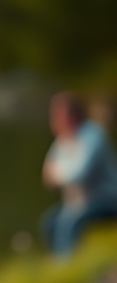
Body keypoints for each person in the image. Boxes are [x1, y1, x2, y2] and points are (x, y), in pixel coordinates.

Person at [40, 91, 117, 254]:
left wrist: (58, 173)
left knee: (70, 222)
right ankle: (58, 262)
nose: (54, 120)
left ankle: (67, 265)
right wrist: (61, 172)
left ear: (73, 115)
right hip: (78, 203)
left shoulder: (93, 135)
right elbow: (46, 174)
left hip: (106, 199)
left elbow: (80, 172)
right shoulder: (63, 140)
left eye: (58, 115)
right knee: (49, 222)